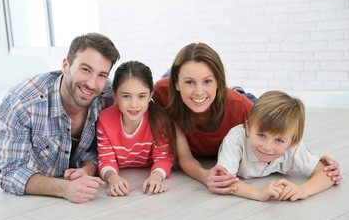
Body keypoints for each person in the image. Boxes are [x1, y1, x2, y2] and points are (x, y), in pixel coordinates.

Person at [153, 42, 342, 194]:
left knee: (263, 113)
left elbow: (279, 131)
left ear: (219, 82)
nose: (199, 90)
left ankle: (236, 88)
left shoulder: (242, 108)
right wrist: (206, 176)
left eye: (208, 81)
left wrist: (316, 161)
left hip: (239, 100)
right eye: (188, 82)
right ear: (176, 84)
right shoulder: (161, 93)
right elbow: (184, 155)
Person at [0, 33, 120, 203]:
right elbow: (9, 172)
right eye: (85, 69)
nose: (92, 84)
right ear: (65, 65)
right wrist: (64, 188)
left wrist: (89, 168)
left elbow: (103, 148)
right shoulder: (22, 102)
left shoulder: (108, 96)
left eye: (102, 75)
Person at [216, 90, 337, 201]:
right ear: (247, 128)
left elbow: (327, 174)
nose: (267, 147)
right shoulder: (235, 139)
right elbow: (222, 178)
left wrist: (302, 190)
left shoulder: (294, 146)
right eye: (261, 136)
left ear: (292, 143)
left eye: (279, 140)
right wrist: (258, 192)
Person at [97, 61, 176, 196]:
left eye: (141, 96)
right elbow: (105, 159)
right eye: (126, 96)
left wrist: (156, 177)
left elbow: (163, 158)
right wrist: (112, 178)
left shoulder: (159, 120)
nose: (134, 104)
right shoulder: (104, 120)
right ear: (114, 95)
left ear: (150, 95)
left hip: (148, 171)